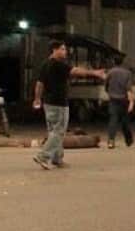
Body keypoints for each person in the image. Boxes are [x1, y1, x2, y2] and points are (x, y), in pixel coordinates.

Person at [32, 40, 105, 170]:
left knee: (53, 132)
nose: (65, 52)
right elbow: (75, 71)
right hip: (59, 103)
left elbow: (39, 84)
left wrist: (37, 98)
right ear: (54, 50)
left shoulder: (45, 64)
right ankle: (43, 156)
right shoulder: (58, 64)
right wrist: (94, 73)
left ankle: (57, 159)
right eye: (63, 49)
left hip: (48, 103)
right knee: (59, 132)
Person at [105, 54, 135, 149]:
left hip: (113, 99)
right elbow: (128, 88)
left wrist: (109, 92)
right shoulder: (127, 73)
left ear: (114, 61)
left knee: (113, 119)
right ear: (122, 62)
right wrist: (131, 102)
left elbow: (106, 84)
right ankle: (129, 139)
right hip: (124, 100)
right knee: (125, 121)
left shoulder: (110, 72)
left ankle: (111, 140)